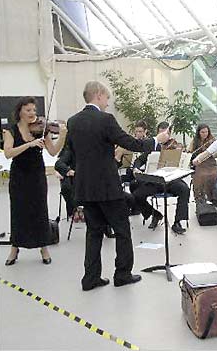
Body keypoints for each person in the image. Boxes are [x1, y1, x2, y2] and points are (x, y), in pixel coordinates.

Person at [66, 81, 167, 291]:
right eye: (107, 98)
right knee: (122, 230)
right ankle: (122, 274)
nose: (107, 102)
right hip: (107, 187)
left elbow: (76, 154)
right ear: (99, 94)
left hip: (85, 186)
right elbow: (133, 144)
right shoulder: (105, 119)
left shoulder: (73, 121)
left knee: (93, 232)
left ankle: (90, 278)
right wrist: (156, 140)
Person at [4, 97, 67, 266]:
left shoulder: (41, 129)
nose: (32, 113)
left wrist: (62, 136)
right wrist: (29, 145)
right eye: (28, 110)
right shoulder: (11, 130)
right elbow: (8, 153)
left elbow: (53, 152)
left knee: (39, 210)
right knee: (18, 211)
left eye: (34, 109)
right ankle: (15, 247)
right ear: (20, 112)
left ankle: (43, 247)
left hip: (36, 175)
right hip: (19, 175)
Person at [131, 121, 190, 234]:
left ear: (170, 134)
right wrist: (136, 168)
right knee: (137, 195)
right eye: (161, 133)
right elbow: (139, 160)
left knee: (184, 189)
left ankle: (177, 222)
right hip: (156, 181)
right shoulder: (153, 147)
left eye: (166, 133)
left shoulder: (175, 146)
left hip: (172, 180)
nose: (164, 136)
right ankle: (155, 214)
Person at [188, 124, 217, 204]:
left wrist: (211, 152)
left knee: (214, 175)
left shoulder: (213, 141)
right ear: (198, 133)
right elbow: (190, 153)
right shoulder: (194, 141)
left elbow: (215, 155)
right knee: (200, 176)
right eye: (202, 132)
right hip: (200, 164)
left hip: (211, 164)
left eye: (206, 132)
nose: (205, 134)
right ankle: (200, 199)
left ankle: (214, 199)